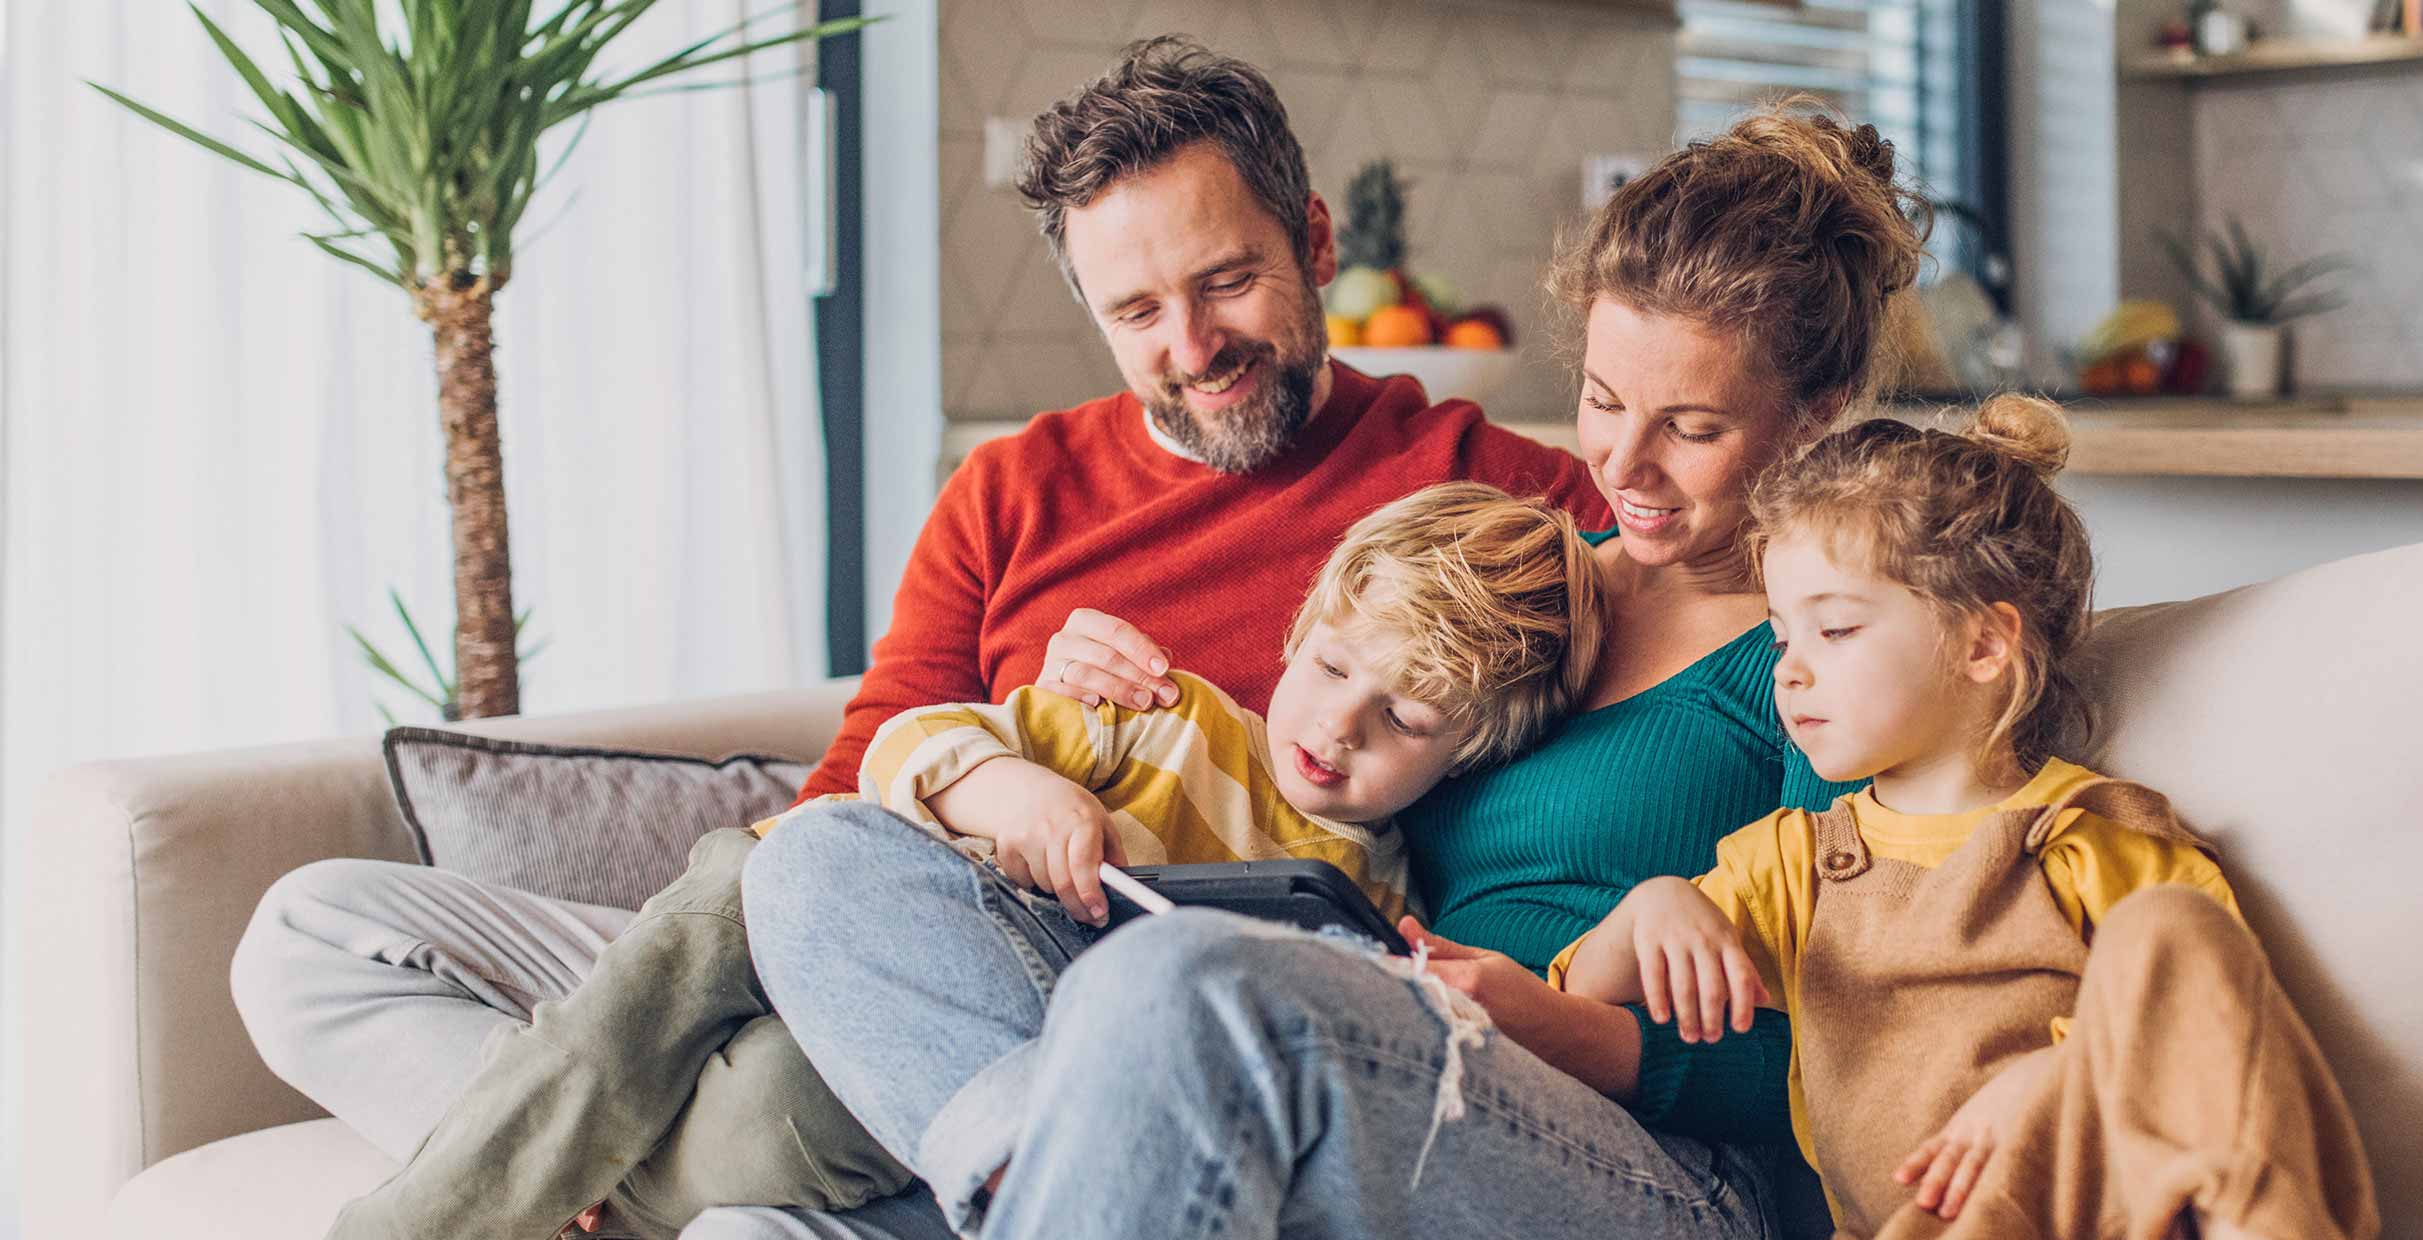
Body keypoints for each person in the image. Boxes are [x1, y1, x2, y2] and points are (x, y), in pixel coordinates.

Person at [232, 35, 1602, 1240]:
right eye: (1135, 311)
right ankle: (587, 1148)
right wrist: (983, 778)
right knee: (312, 929)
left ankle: (553, 1168)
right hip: (844, 904)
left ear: (1313, 242)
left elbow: (1709, 587)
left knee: (785, 1096)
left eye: (1227, 280)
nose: (1191, 345)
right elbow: (852, 780)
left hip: (1038, 1007)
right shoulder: (1015, 488)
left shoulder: (1485, 498)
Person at [749, 99, 1928, 1239]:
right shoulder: (1518, 579)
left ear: (1813, 418)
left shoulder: (1824, 657)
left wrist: (1573, 1028)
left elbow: (1874, 1050)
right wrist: (1069, 716)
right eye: (1603, 400)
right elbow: (1319, 760)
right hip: (1377, 1065)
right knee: (818, 862)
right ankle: (1045, 1177)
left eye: (1694, 429)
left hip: (1650, 1161)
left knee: (1183, 980)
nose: (1622, 461)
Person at [316, 483, 1600, 1240]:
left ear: (1477, 751)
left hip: (937, 1065)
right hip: (800, 917)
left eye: (1408, 724)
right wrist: (1012, 782)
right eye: (1330, 669)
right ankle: (465, 1199)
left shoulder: (1378, 909)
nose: (1337, 727)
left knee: (781, 1110)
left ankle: (567, 1168)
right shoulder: (1162, 714)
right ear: (1305, 622)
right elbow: (907, 747)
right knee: (690, 904)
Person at [1552, 397, 2381, 1239]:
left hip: (2107, 1214)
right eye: (1779, 639)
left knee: (2177, 928)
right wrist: (1656, 902)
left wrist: (2059, 1079)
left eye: (1834, 629)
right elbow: (1586, 985)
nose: (1791, 673)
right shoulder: (1793, 863)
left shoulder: (2096, 839)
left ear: (1984, 647)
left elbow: (2219, 1046)